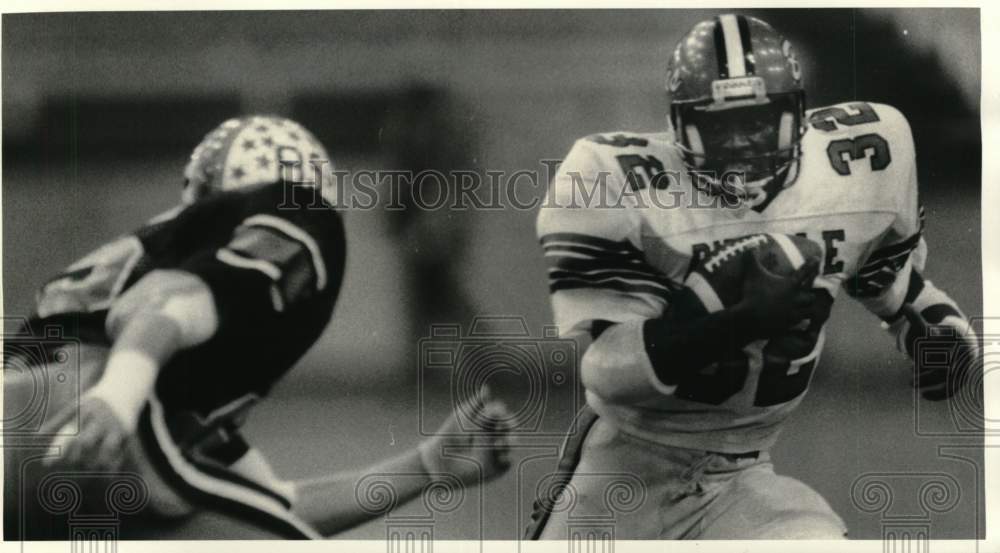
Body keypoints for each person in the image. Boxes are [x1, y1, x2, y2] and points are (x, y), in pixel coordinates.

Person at [529, 14, 980, 539]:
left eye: (759, 122)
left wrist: (944, 332)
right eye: (723, 126)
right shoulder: (614, 177)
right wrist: (724, 324)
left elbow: (893, 286)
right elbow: (606, 373)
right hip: (621, 471)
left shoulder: (857, 163)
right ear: (681, 128)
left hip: (740, 477)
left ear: (798, 117)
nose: (743, 145)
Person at [4, 115, 511, 539]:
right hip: (79, 410)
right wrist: (116, 397)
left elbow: (277, 504)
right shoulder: (298, 210)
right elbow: (160, 303)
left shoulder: (184, 380)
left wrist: (426, 468)